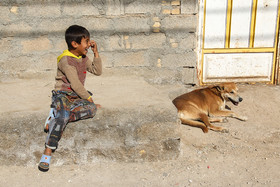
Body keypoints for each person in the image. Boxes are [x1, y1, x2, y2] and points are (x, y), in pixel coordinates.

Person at [38, 25, 102, 172]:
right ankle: (48, 151)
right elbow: (76, 84)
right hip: (62, 95)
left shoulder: (82, 57)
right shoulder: (66, 61)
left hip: (75, 96)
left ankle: (58, 115)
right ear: (75, 44)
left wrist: (96, 53)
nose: (89, 44)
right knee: (67, 113)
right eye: (86, 42)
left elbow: (97, 71)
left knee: (91, 110)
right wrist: (89, 98)